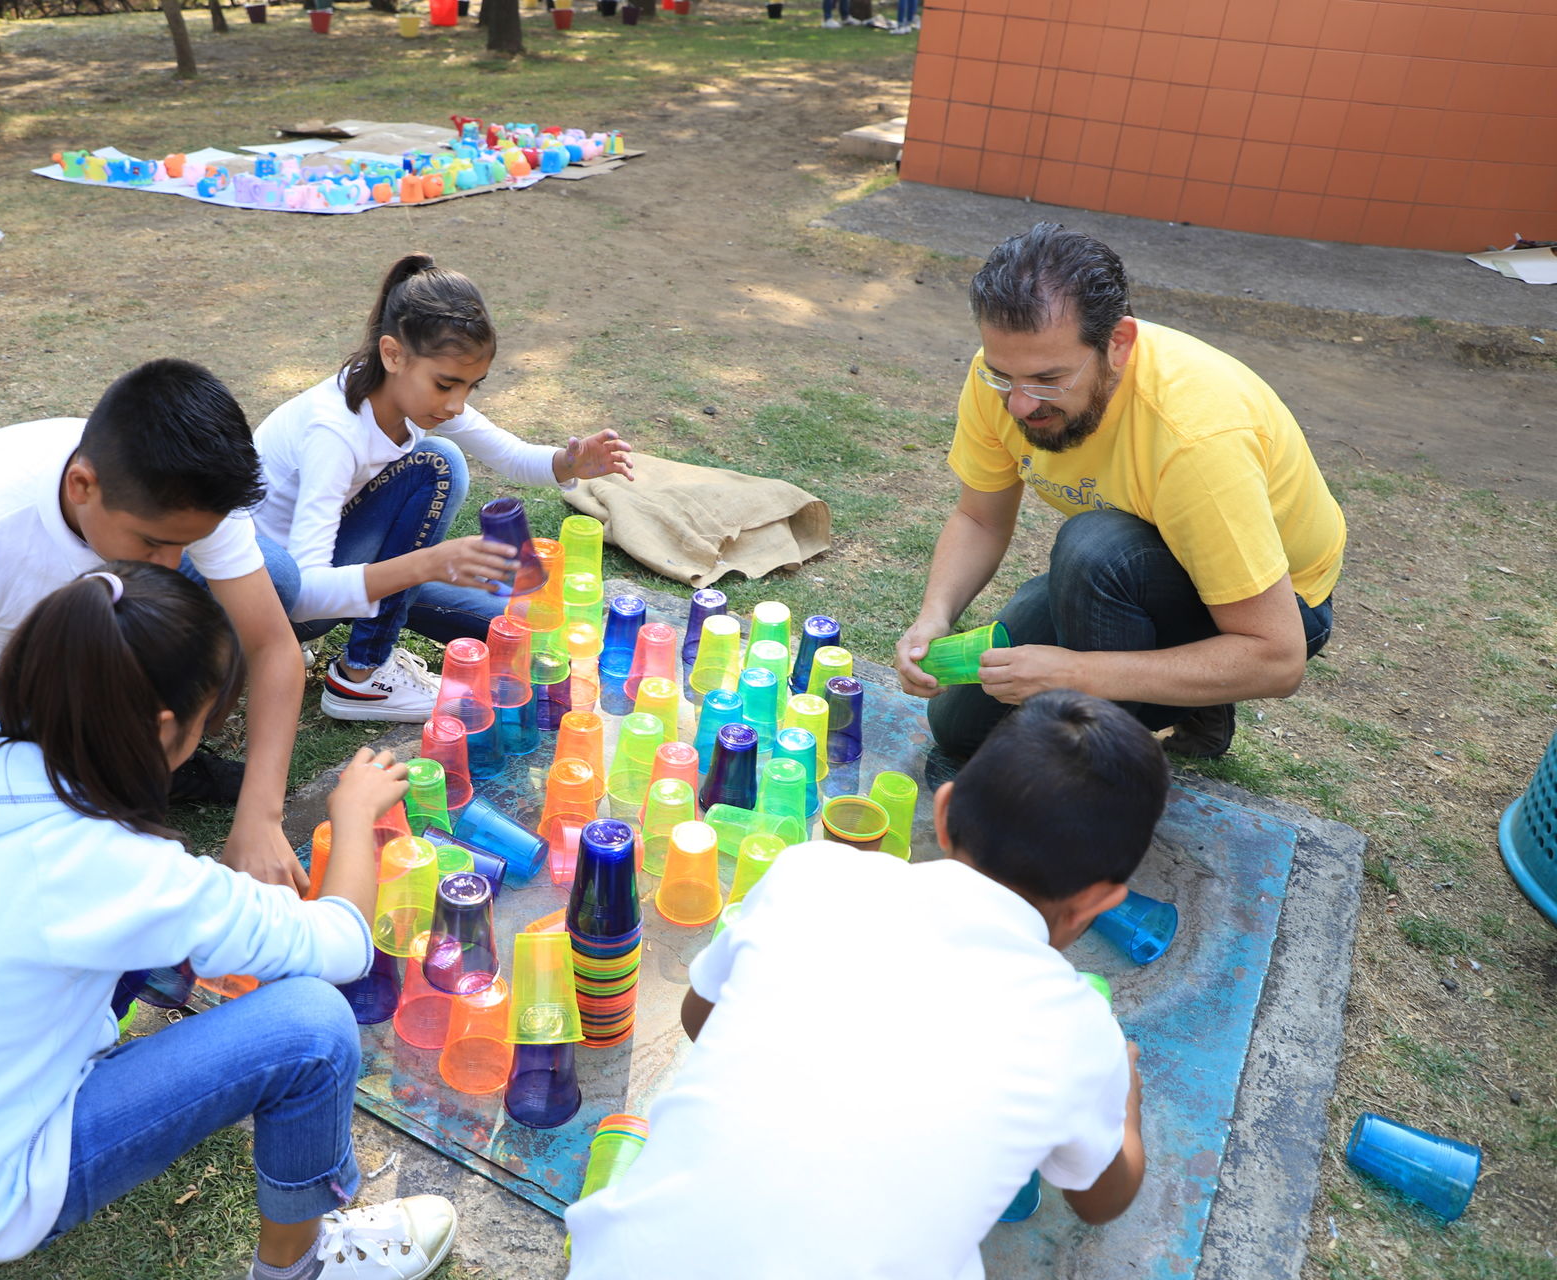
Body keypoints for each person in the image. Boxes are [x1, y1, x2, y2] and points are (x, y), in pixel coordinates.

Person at [0, 562, 458, 1279]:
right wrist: (352, 815)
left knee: (161, 950)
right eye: (213, 722)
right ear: (167, 728)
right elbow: (344, 945)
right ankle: (300, 1266)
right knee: (314, 1028)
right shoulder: (109, 870)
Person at [565, 690, 1161, 1279]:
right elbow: (1100, 1198)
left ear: (944, 811)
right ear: (1099, 903)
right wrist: (1123, 1096)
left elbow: (700, 1018)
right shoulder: (1081, 1030)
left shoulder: (812, 874)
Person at [0, 358, 311, 889]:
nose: (170, 566)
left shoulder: (185, 489)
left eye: (187, 543)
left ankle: (147, 751)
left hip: (82, 641)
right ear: (81, 486)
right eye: (154, 544)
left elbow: (271, 645)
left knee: (272, 581)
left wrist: (261, 816)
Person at [896, 222, 1344, 765]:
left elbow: (1277, 659)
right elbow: (980, 519)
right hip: (1132, 568)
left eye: (1047, 379)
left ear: (1119, 344)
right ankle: (1178, 689)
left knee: (1095, 549)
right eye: (1002, 375)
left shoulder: (1197, 438)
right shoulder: (1006, 379)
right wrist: (933, 619)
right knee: (959, 727)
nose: (1018, 404)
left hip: (1272, 610)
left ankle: (1154, 721)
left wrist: (1074, 673)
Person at [251, 253, 634, 724]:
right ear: (393, 354)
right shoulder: (335, 432)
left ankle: (310, 647)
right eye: (447, 384)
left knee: (522, 630)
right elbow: (304, 590)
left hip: (327, 573)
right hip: (281, 601)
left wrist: (571, 461)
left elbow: (509, 453)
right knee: (438, 462)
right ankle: (362, 674)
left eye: (471, 387)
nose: (457, 404)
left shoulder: (404, 394)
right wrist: (429, 563)